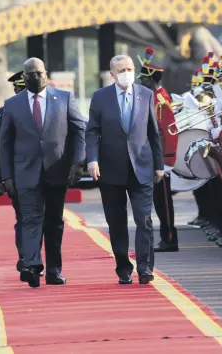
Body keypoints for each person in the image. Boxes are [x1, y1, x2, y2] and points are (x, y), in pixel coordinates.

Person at [0, 58, 86, 288]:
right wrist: (6, 176)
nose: (36, 77)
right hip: (25, 173)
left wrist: (78, 162)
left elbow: (79, 130)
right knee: (30, 219)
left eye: (39, 73)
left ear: (46, 74)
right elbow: (4, 144)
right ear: (24, 77)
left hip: (57, 171)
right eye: (31, 74)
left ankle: (54, 271)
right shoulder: (12, 105)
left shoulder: (64, 98)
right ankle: (33, 266)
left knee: (54, 223)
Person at [86, 55, 163, 284]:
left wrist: (159, 165)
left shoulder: (146, 94)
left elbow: (153, 132)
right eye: (121, 70)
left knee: (144, 219)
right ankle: (123, 267)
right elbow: (92, 131)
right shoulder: (100, 98)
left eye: (130, 68)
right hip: (110, 170)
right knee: (117, 223)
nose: (127, 73)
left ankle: (145, 267)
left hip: (142, 167)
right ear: (112, 74)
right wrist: (92, 160)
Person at [136, 47, 179, 252]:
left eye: (144, 79)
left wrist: (167, 160)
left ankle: (170, 238)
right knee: (159, 202)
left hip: (161, 159)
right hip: (154, 158)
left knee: (164, 203)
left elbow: (169, 131)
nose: (140, 82)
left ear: (152, 79)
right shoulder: (152, 96)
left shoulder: (160, 99)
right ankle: (166, 237)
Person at [0, 71, 27, 274]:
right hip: (16, 176)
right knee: (23, 218)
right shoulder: (6, 110)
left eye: (20, 88)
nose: (17, 91)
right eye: (17, 89)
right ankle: (26, 257)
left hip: (42, 175)